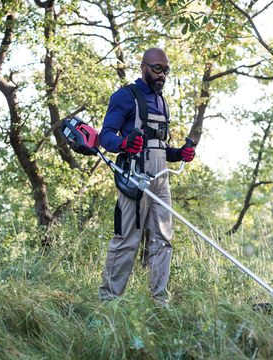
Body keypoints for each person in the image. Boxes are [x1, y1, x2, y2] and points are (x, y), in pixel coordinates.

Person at [98, 47, 195, 306]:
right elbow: (105, 136)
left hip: (161, 178)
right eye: (157, 68)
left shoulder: (163, 102)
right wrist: (123, 144)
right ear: (143, 67)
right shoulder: (125, 97)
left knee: (163, 239)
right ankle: (108, 302)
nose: (162, 74)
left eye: (166, 70)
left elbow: (159, 146)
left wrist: (180, 153)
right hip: (134, 176)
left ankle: (159, 304)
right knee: (127, 240)